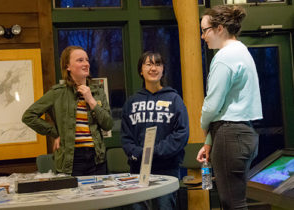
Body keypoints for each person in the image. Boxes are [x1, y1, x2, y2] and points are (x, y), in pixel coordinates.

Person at [196, 5, 263, 210]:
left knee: (232, 204)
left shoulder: (225, 57)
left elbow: (213, 105)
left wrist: (203, 124)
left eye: (205, 30)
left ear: (220, 28)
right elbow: (228, 107)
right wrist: (209, 141)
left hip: (229, 136)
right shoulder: (241, 51)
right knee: (234, 202)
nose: (202, 36)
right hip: (242, 133)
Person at [22, 46, 113, 176]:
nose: (86, 63)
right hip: (71, 160)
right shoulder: (57, 93)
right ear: (68, 66)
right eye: (80, 60)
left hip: (97, 158)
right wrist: (56, 133)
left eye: (86, 60)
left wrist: (91, 101)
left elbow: (108, 124)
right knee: (74, 196)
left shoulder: (97, 92)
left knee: (99, 195)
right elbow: (29, 116)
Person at [121, 51, 189, 210]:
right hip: (138, 170)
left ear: (163, 69)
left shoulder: (174, 99)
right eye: (148, 64)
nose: (153, 68)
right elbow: (125, 137)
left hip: (167, 169)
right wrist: (138, 153)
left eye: (158, 64)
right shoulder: (131, 102)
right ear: (140, 70)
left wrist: (154, 152)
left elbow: (181, 133)